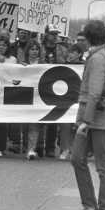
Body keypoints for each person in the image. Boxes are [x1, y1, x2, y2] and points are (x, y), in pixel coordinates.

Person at [69, 20, 105, 210]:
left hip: (97, 118)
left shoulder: (98, 59)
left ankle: (104, 208)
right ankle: (92, 206)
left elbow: (94, 93)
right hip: (97, 116)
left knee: (101, 165)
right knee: (79, 159)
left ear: (89, 38)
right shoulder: (103, 55)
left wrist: (85, 121)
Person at [42, 27, 71, 158]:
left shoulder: (63, 49)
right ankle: (37, 146)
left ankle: (50, 148)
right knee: (40, 118)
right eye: (52, 34)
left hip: (59, 87)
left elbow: (69, 64)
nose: (54, 37)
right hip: (42, 86)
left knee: (54, 118)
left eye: (56, 34)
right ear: (46, 34)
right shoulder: (39, 47)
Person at [20, 39, 44, 160]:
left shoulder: (44, 64)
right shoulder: (22, 63)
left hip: (38, 97)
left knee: (34, 124)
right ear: (27, 51)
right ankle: (26, 146)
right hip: (25, 96)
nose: (34, 52)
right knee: (25, 125)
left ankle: (31, 149)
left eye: (36, 49)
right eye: (32, 49)